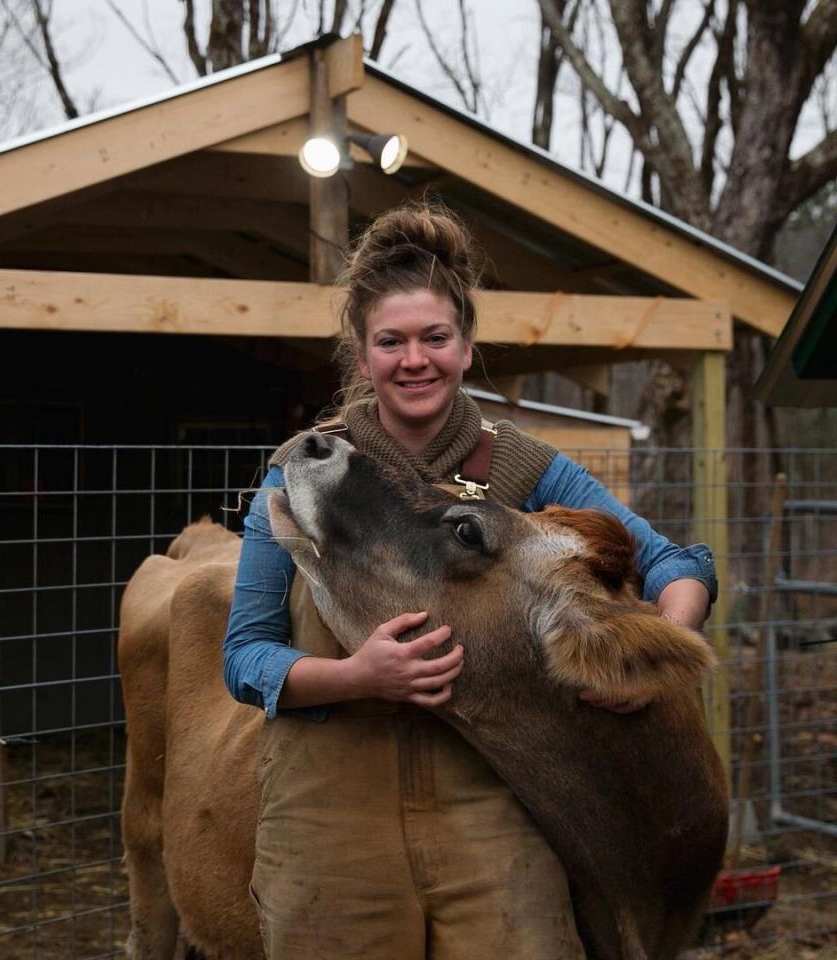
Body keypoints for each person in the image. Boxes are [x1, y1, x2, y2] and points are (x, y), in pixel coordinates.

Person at [223, 201, 717, 960]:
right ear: (362, 354)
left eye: (434, 338)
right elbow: (245, 656)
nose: (413, 359)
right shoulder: (303, 475)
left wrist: (660, 646)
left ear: (464, 346)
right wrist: (356, 675)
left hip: (489, 811)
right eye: (390, 342)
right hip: (332, 809)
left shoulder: (524, 468)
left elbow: (676, 563)